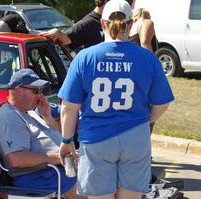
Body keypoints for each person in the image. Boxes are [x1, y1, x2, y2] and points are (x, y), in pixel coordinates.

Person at [57, 1, 174, 199]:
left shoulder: (85, 58)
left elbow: (69, 107)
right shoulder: (147, 58)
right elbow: (162, 103)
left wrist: (66, 140)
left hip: (96, 140)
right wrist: (144, 121)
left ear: (102, 24)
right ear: (130, 25)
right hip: (135, 138)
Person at [0, 68, 86, 199]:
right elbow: (16, 159)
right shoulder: (10, 118)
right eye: (35, 91)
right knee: (101, 190)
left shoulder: (30, 111)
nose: (40, 95)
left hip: (57, 170)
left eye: (41, 91)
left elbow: (61, 137)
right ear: (17, 90)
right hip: (42, 177)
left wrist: (48, 118)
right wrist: (58, 157)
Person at [129, 8, 158, 134]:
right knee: (148, 114)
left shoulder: (129, 29)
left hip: (129, 76)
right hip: (144, 76)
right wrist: (155, 70)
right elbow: (145, 44)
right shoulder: (146, 23)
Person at [40, 0, 109, 50]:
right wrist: (57, 32)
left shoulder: (112, 20)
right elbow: (67, 40)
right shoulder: (88, 22)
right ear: (106, 2)